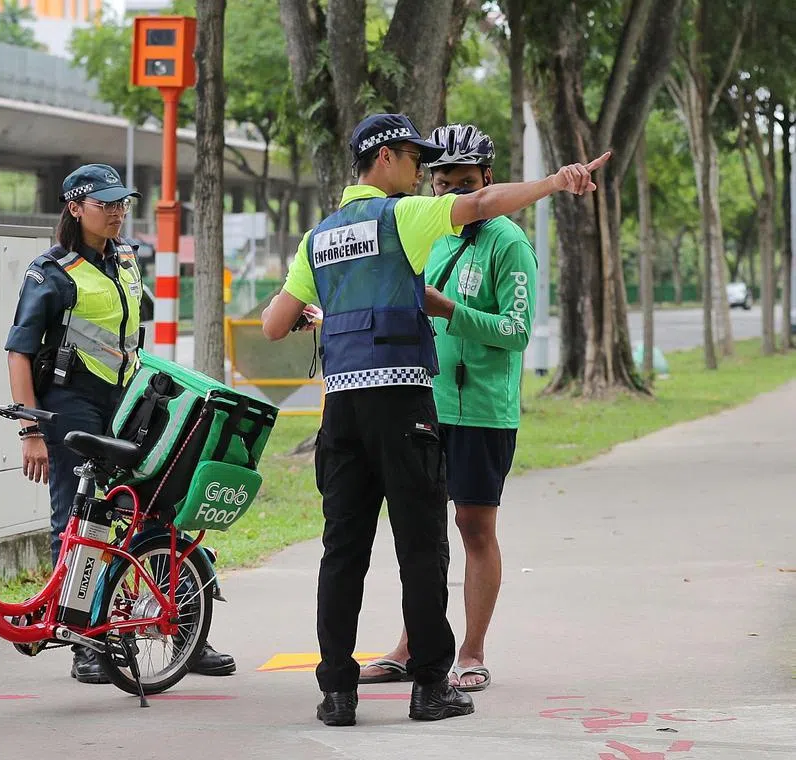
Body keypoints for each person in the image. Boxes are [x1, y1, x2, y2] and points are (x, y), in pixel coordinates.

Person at [260, 113, 608, 727]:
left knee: (342, 550)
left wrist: (332, 308)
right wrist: (555, 182)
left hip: (341, 410)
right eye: (417, 160)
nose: (424, 174)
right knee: (422, 548)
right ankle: (430, 688)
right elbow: (484, 203)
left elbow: (272, 324)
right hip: (402, 402)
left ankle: (337, 693)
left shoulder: (319, 237)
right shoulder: (404, 215)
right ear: (387, 157)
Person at [4, 163, 236, 684]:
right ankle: (84, 642)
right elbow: (19, 354)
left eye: (121, 203)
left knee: (157, 503)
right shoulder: (51, 272)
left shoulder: (127, 257)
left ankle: (183, 632)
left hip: (129, 399)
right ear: (74, 207)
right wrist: (31, 431)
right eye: (104, 203)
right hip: (69, 402)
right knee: (80, 517)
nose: (115, 211)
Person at [357, 123, 537, 694]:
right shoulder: (430, 236)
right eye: (445, 185)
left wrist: (448, 310)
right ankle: (413, 646)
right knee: (421, 530)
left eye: (467, 182)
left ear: (487, 179)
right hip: (424, 402)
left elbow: (516, 331)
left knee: (473, 526)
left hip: (483, 409)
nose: (456, 194)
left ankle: (473, 651)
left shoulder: (510, 243)